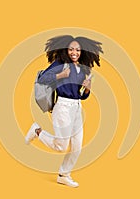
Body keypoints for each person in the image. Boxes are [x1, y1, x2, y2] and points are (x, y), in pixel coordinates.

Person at [25, 35, 103, 188]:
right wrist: (61, 75)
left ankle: (64, 175)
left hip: (77, 107)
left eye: (78, 50)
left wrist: (87, 88)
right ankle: (37, 130)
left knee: (77, 146)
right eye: (71, 49)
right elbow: (43, 79)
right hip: (63, 107)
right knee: (61, 145)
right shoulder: (60, 64)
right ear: (66, 50)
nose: (75, 52)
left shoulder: (81, 70)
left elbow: (81, 95)